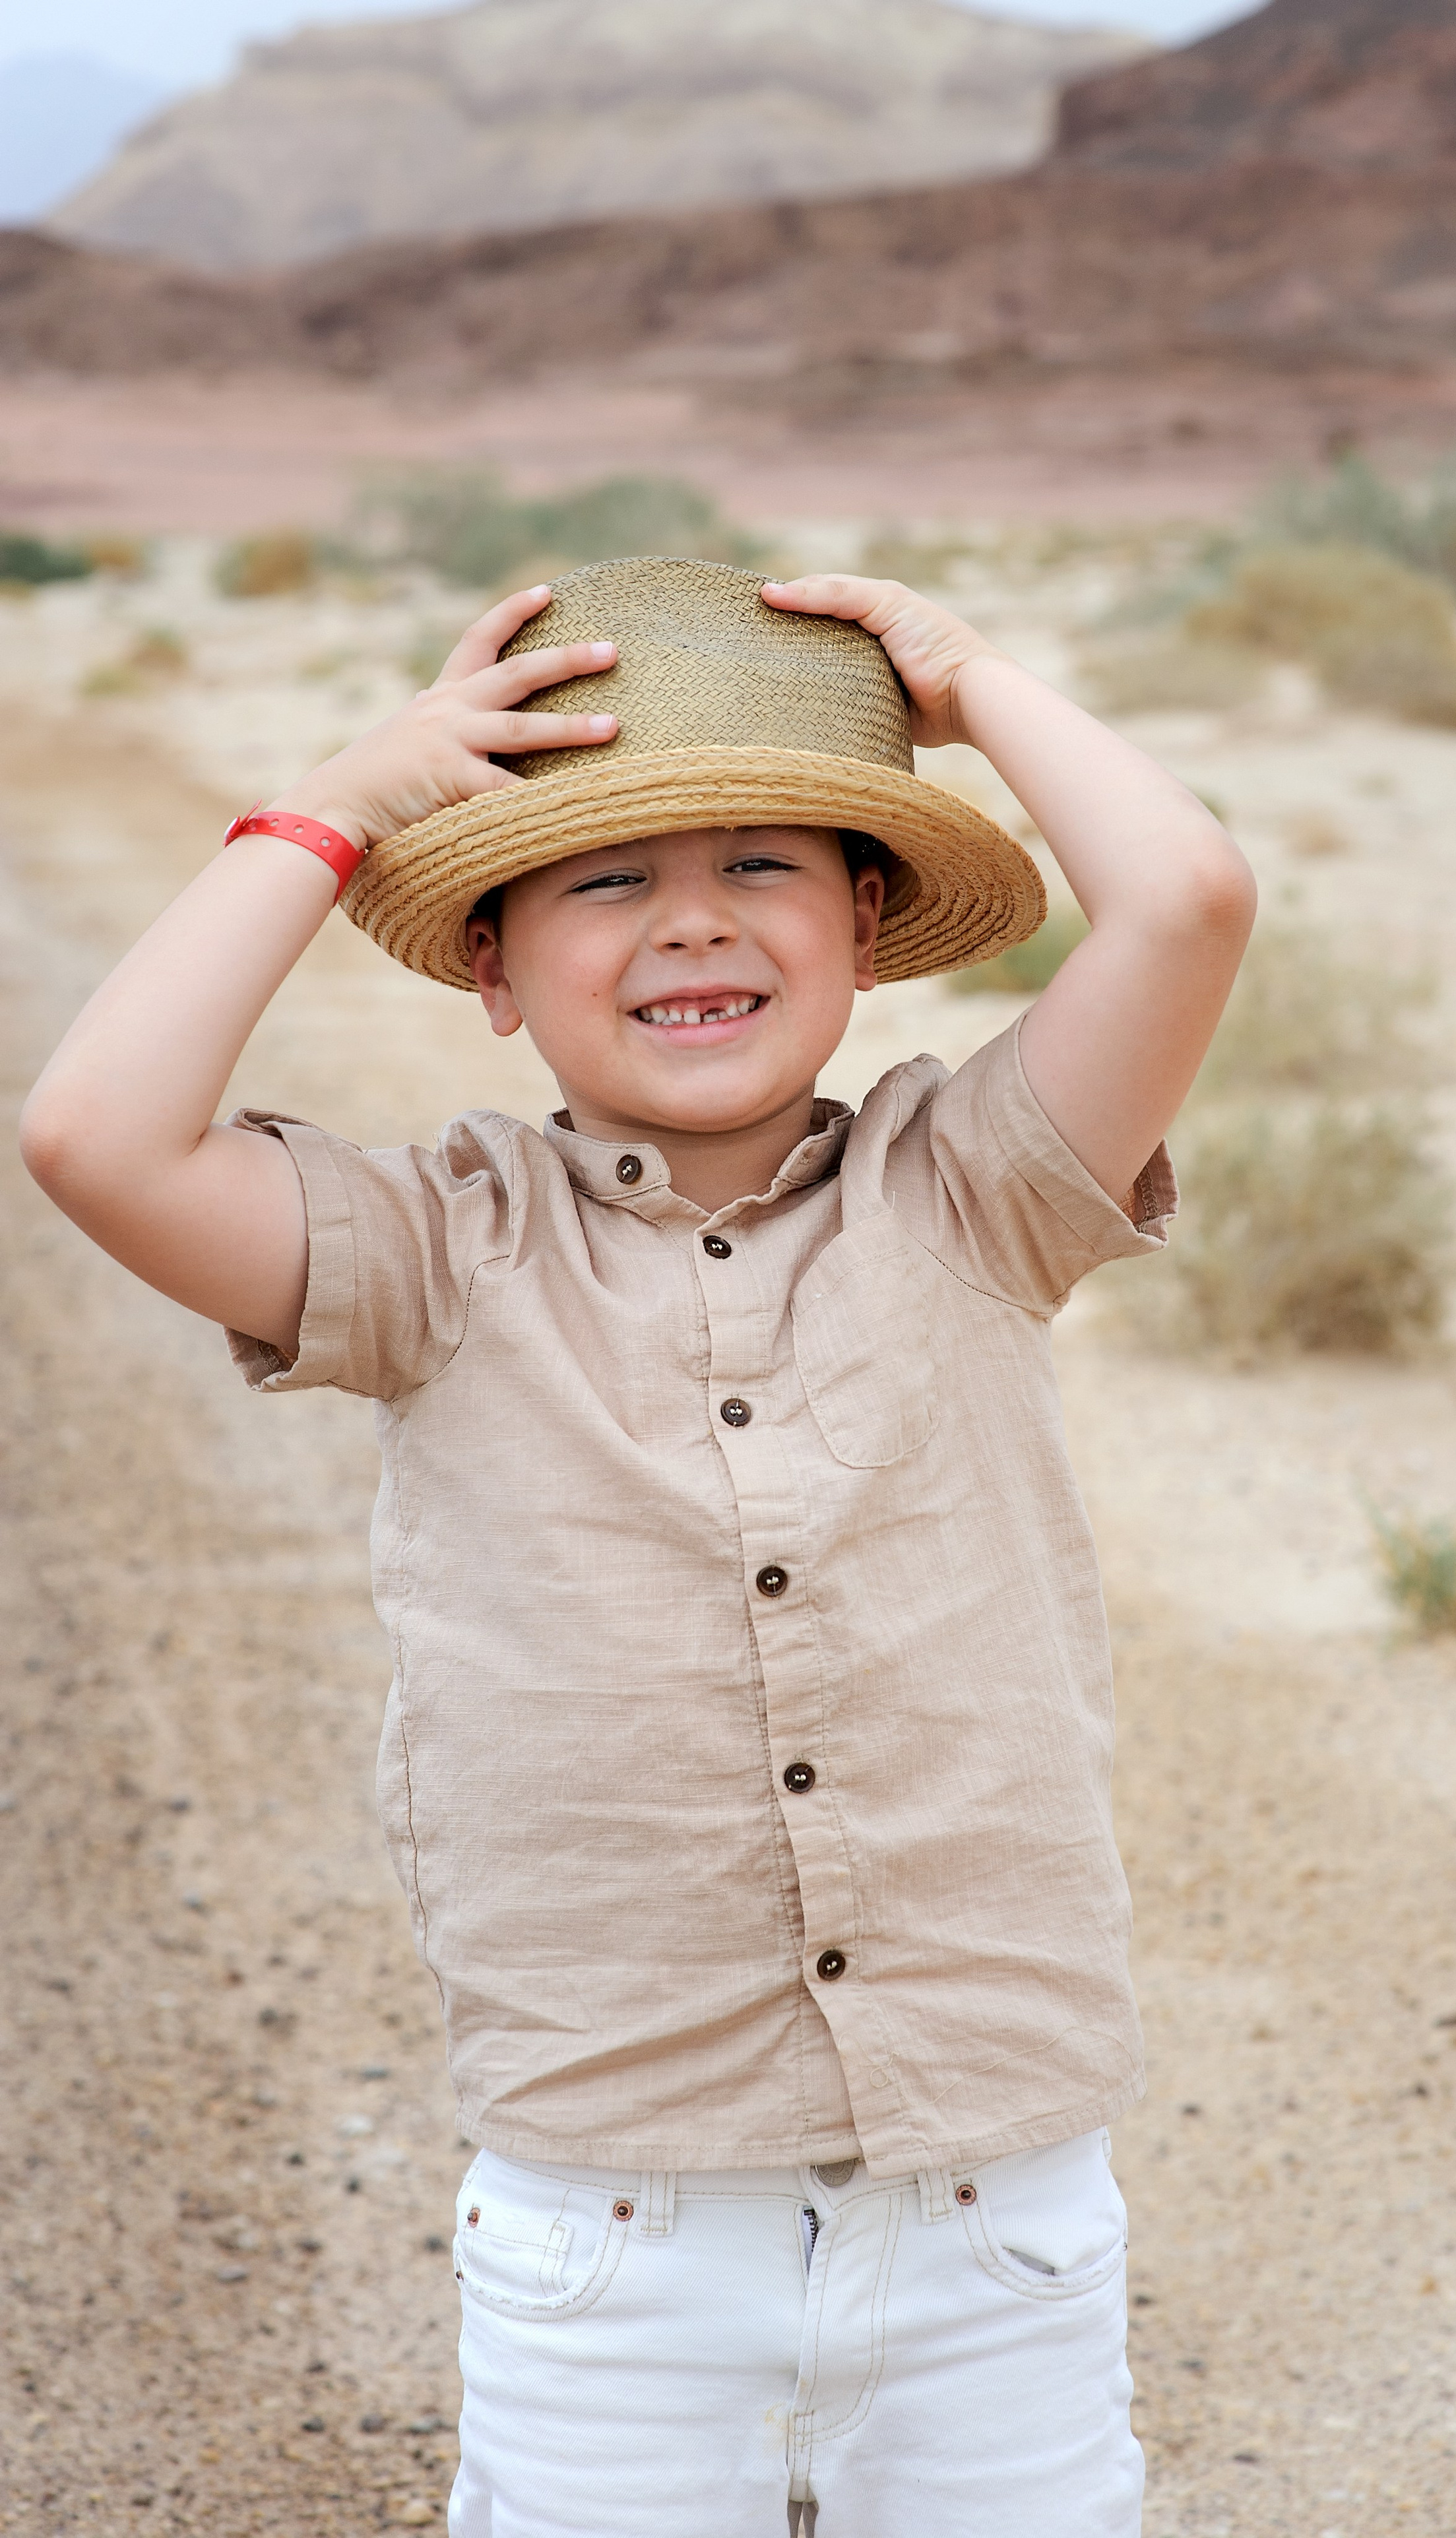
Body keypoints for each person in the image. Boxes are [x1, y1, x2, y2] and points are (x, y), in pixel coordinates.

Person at [21, 556, 1255, 2538]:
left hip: (990, 2213)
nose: (691, 915)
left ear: (869, 926)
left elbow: (1188, 898)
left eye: (765, 861)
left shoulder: (979, 1192)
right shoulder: (437, 1248)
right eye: (601, 878)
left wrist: (972, 682)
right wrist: (342, 801)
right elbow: (96, 1135)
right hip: (616, 2230)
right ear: (492, 969)